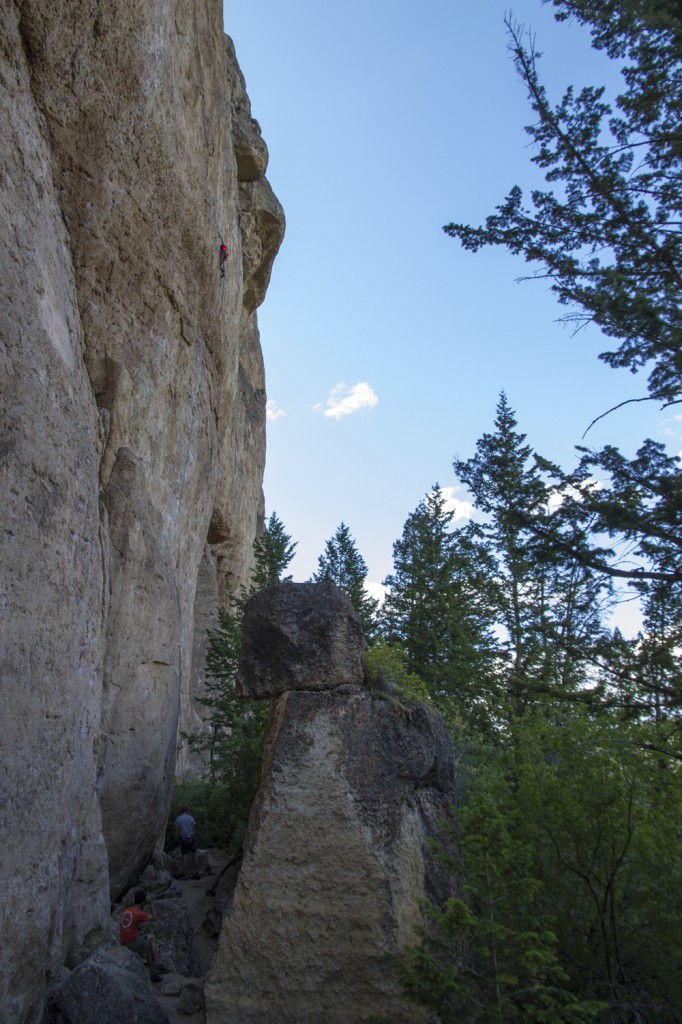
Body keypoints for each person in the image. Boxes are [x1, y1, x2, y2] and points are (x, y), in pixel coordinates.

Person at [120, 889, 160, 980]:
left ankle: (158, 964)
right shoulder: (139, 913)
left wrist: (137, 933)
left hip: (124, 939)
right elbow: (154, 916)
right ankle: (153, 974)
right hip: (130, 942)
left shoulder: (125, 911)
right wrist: (150, 903)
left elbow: (127, 926)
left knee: (151, 938)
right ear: (144, 901)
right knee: (147, 947)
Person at [174, 806, 198, 879]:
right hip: (191, 838)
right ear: (187, 811)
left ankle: (186, 876)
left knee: (185, 857)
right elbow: (194, 829)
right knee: (194, 855)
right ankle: (197, 874)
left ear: (181, 811)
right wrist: (194, 837)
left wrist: (176, 840)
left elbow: (177, 831)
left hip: (184, 839)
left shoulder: (178, 819)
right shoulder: (191, 818)